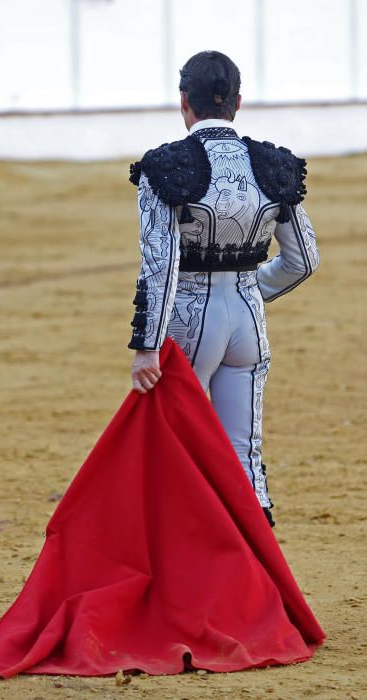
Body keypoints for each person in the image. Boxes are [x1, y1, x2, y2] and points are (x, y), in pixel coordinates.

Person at [127, 50, 320, 527]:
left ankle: (186, 577)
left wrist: (147, 346)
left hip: (188, 321)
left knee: (177, 453)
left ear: (183, 102)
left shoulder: (165, 166)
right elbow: (304, 261)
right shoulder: (274, 165)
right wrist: (250, 290)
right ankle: (256, 581)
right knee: (244, 457)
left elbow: (161, 263)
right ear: (238, 101)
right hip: (248, 322)